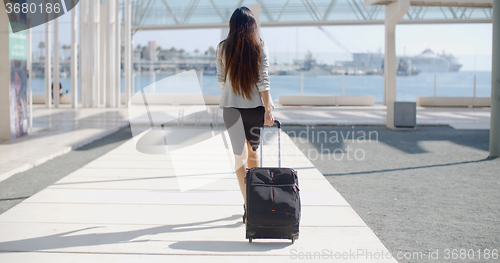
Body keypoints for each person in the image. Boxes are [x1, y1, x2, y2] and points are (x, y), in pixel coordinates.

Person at [216, 6, 275, 223]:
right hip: (254, 108)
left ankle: (249, 204)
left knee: (239, 158)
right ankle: (256, 202)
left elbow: (221, 79)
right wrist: (268, 107)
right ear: (253, 26)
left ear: (232, 25)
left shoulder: (223, 47)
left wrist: (233, 91)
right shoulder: (260, 45)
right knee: (253, 154)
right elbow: (263, 79)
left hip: (231, 108)